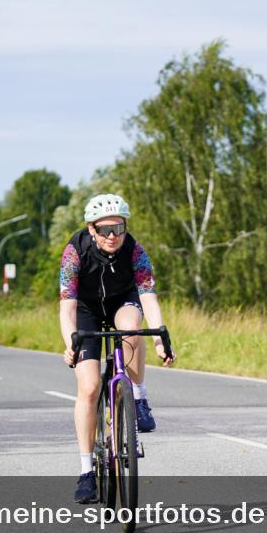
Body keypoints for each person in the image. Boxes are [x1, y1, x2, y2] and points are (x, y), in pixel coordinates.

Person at [58, 194, 176, 504]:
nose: (113, 236)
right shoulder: (74, 252)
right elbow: (67, 307)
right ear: (91, 229)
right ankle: (86, 472)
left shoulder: (135, 251)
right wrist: (70, 341)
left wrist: (160, 337)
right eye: (106, 230)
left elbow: (148, 296)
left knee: (131, 328)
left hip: (121, 302)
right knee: (90, 387)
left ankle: (138, 399)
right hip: (85, 309)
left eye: (119, 228)